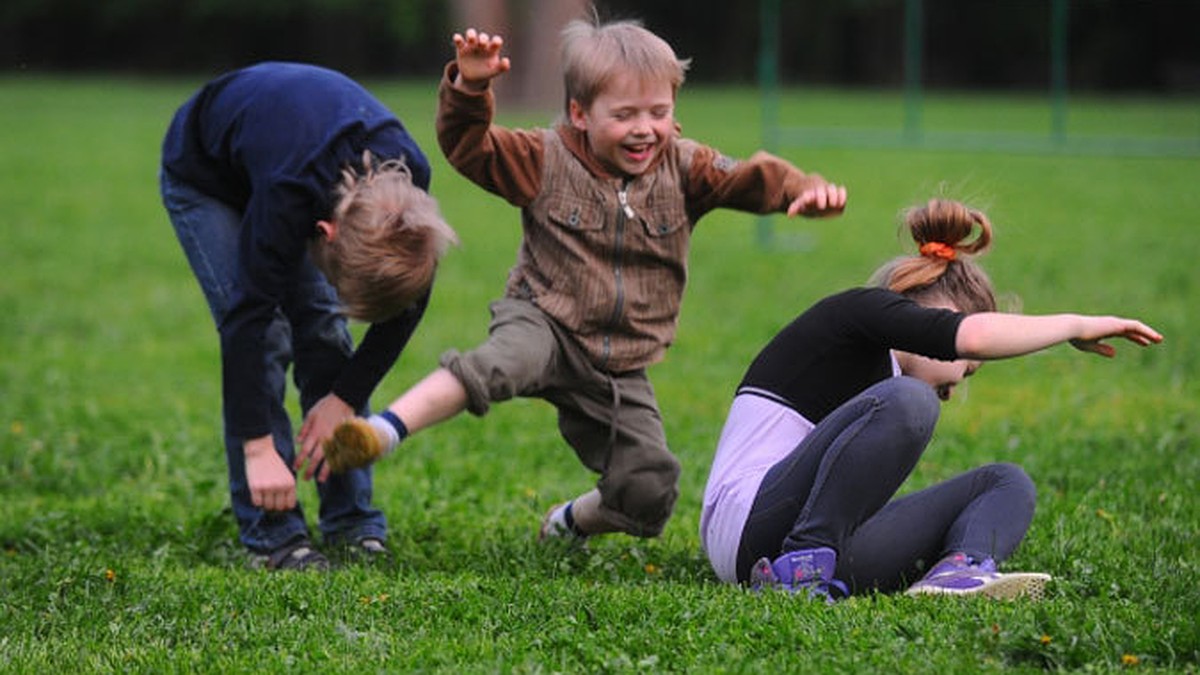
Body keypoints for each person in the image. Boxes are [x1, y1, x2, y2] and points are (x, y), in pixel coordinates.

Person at [320, 18, 847, 543]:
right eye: (624, 115)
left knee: (650, 491)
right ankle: (382, 431)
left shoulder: (684, 168)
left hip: (618, 359)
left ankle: (570, 521)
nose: (645, 128)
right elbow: (469, 147)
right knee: (499, 363)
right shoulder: (544, 158)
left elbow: (751, 177)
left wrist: (803, 189)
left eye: (659, 112)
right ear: (579, 113)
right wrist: (471, 87)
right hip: (544, 318)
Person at [699, 198, 1163, 601]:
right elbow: (973, 338)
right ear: (943, 315)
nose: (959, 383)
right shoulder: (855, 315)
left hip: (816, 546)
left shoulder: (890, 380)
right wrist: (1076, 325)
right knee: (912, 402)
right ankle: (797, 572)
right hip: (745, 528)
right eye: (967, 368)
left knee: (1005, 481)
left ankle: (958, 575)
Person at [160, 62, 457, 571]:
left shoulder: (411, 193)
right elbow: (246, 322)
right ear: (326, 232)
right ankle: (273, 534)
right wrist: (257, 448)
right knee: (272, 332)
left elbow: (410, 301)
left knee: (324, 331)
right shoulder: (289, 193)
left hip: (291, 156)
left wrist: (343, 398)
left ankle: (352, 519)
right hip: (208, 175)